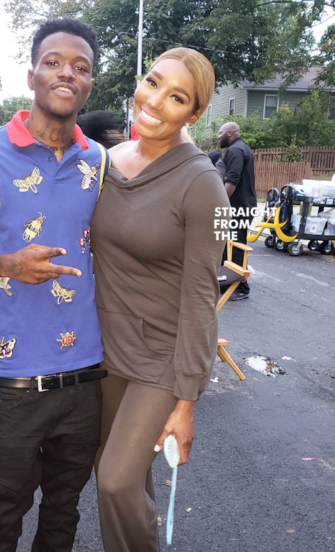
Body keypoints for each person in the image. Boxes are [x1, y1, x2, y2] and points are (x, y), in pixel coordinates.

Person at [0, 19, 110, 552]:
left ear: (90, 83)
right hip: (16, 381)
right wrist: (9, 264)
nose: (67, 73)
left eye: (81, 67)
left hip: (87, 375)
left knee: (64, 510)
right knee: (2, 511)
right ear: (32, 74)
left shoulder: (99, 162)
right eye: (53, 62)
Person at [90, 48, 230, 552]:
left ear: (194, 114)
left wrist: (187, 401)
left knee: (115, 481)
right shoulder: (105, 162)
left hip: (161, 362)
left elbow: (202, 297)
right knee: (120, 479)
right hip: (106, 351)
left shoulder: (205, 186)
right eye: (152, 82)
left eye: (177, 97)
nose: (154, 101)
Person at [218, 121, 256, 300]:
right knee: (228, 245)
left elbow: (232, 180)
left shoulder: (235, 150)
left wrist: (220, 204)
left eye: (221, 133)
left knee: (235, 246)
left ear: (230, 133)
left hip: (238, 206)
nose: (218, 137)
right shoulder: (243, 148)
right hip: (242, 205)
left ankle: (241, 287)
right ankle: (226, 282)